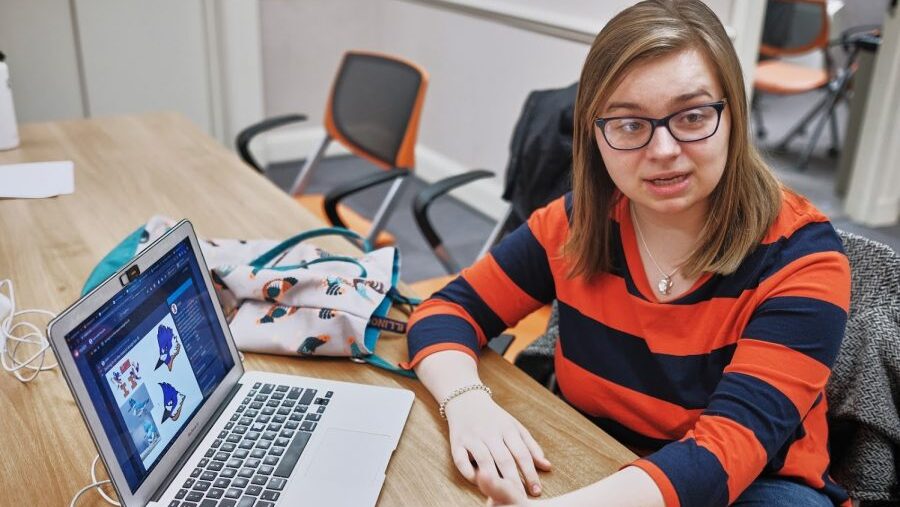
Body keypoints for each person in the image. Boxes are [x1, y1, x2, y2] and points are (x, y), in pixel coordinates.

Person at [403, 0, 852, 506]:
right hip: (596, 449)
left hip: (750, 484)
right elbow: (446, 310)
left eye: (693, 115)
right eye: (629, 124)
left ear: (734, 117)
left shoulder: (804, 260)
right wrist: (468, 405)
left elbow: (723, 455)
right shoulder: (577, 222)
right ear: (595, 135)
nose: (662, 150)